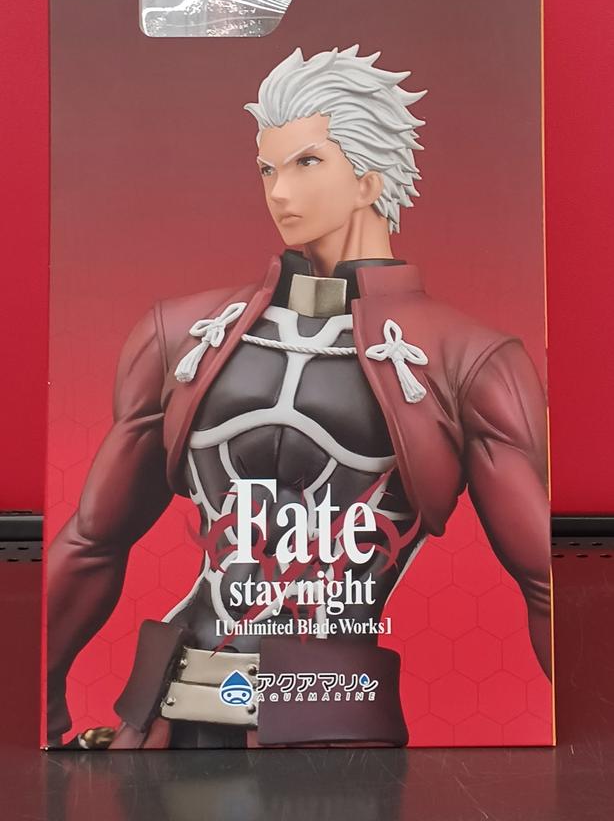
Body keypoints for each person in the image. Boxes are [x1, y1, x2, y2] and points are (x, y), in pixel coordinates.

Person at [47, 46, 551, 749]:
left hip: (331, 725)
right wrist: (42, 711)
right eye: (267, 169)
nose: (279, 192)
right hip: (171, 713)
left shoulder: (470, 359)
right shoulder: (182, 334)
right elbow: (93, 539)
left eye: (307, 162)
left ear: (370, 178)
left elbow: (543, 579)